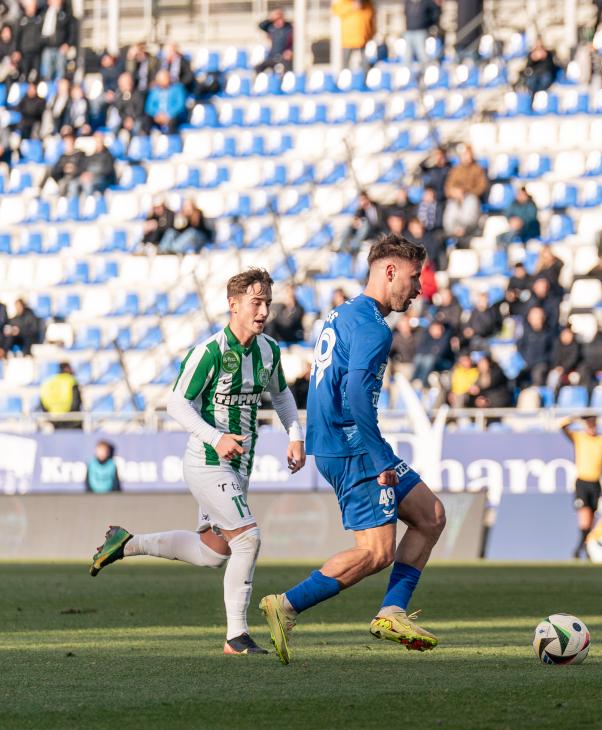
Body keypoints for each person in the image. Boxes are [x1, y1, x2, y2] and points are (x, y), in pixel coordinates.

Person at [90, 268, 306, 656]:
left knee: (213, 552)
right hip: (207, 461)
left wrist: (295, 436)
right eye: (256, 303)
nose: (263, 312)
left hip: (239, 466)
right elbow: (176, 403)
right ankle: (236, 636)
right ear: (233, 304)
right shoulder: (210, 352)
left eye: (267, 304)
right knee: (248, 539)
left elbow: (281, 395)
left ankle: (126, 544)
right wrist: (216, 437)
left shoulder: (269, 350)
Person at [259, 236, 448, 664]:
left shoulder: (344, 313)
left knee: (431, 515)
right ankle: (286, 605)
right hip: (353, 444)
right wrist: (380, 458)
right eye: (414, 277)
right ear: (389, 272)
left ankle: (392, 611)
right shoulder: (373, 328)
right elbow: (358, 396)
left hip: (344, 440)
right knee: (377, 551)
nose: (419, 289)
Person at [560, 414, 602, 561]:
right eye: (589, 423)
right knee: (584, 517)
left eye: (594, 423)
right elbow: (562, 426)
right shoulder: (579, 437)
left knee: (591, 520)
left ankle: (582, 549)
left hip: (596, 483)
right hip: (582, 482)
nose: (592, 426)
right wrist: (575, 418)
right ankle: (581, 549)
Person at [332, 0, 376, 71]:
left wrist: (371, 35)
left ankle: (365, 77)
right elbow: (336, 10)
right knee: (345, 65)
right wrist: (352, 7)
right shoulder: (345, 2)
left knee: (366, 64)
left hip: (364, 39)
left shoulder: (367, 4)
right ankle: (345, 76)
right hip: (348, 39)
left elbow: (372, 20)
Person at [38, 361, 80, 427]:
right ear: (66, 368)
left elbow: (42, 401)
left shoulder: (47, 382)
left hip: (53, 419)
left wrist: (49, 417)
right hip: (70, 420)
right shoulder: (71, 381)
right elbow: (76, 402)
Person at [256, 9, 294, 73]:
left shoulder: (288, 28)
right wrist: (270, 18)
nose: (280, 21)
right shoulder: (271, 28)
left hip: (284, 57)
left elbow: (294, 42)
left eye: (281, 18)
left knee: (286, 71)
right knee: (258, 68)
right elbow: (261, 25)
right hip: (272, 56)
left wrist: (290, 50)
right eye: (277, 19)